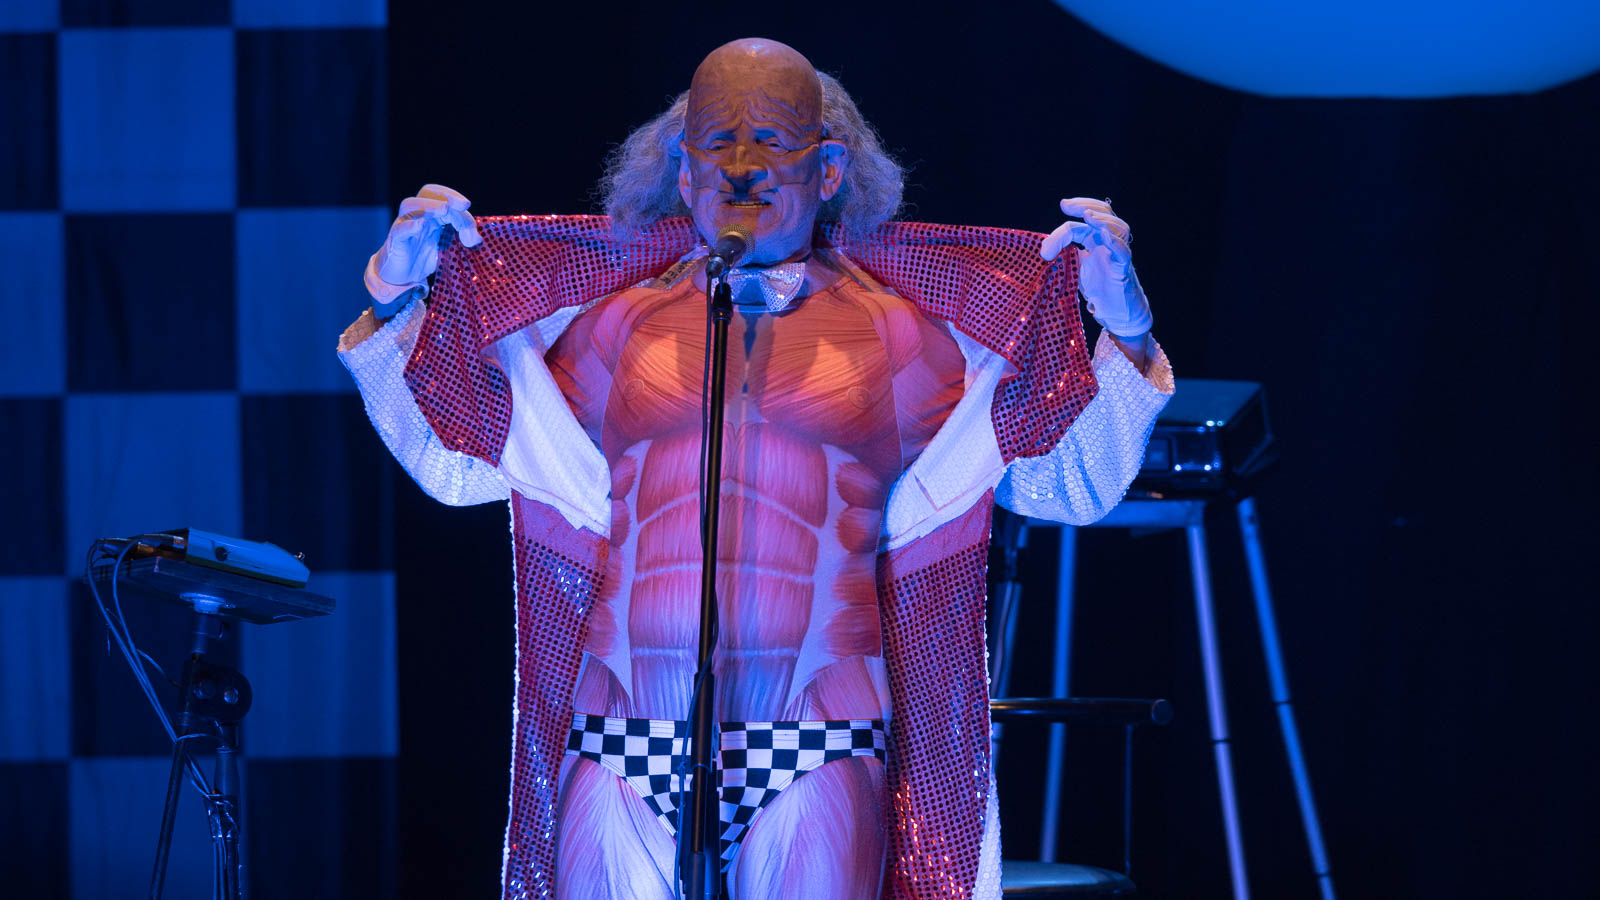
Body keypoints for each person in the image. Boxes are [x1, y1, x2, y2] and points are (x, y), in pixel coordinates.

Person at [340, 37, 1171, 900]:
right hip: (622, 733)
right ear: (682, 167)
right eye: (717, 141)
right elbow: (461, 460)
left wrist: (1125, 330)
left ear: (830, 169)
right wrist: (392, 296)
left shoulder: (901, 336)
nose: (741, 167)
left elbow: (1061, 479)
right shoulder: (608, 327)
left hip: (819, 742)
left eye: (772, 140)